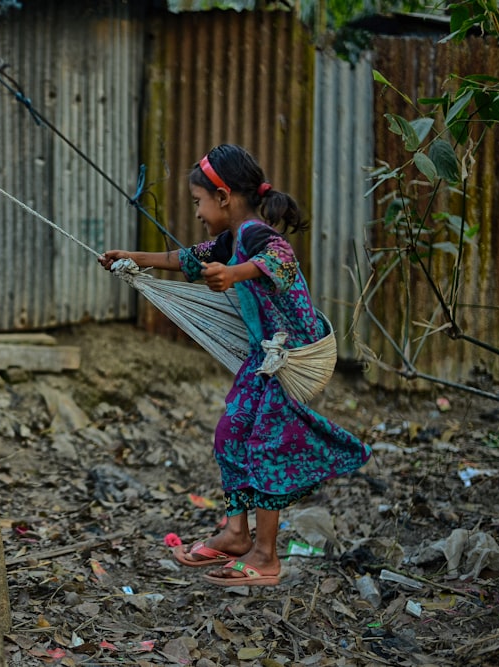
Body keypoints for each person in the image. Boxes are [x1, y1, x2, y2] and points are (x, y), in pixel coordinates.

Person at [99, 144, 371, 587]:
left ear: (223, 196)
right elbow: (186, 259)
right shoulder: (232, 239)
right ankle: (235, 533)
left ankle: (266, 557)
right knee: (231, 433)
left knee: (265, 445)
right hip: (265, 355)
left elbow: (281, 262)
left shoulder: (256, 235)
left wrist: (234, 274)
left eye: (199, 202)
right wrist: (131, 259)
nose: (199, 212)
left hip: (294, 357)